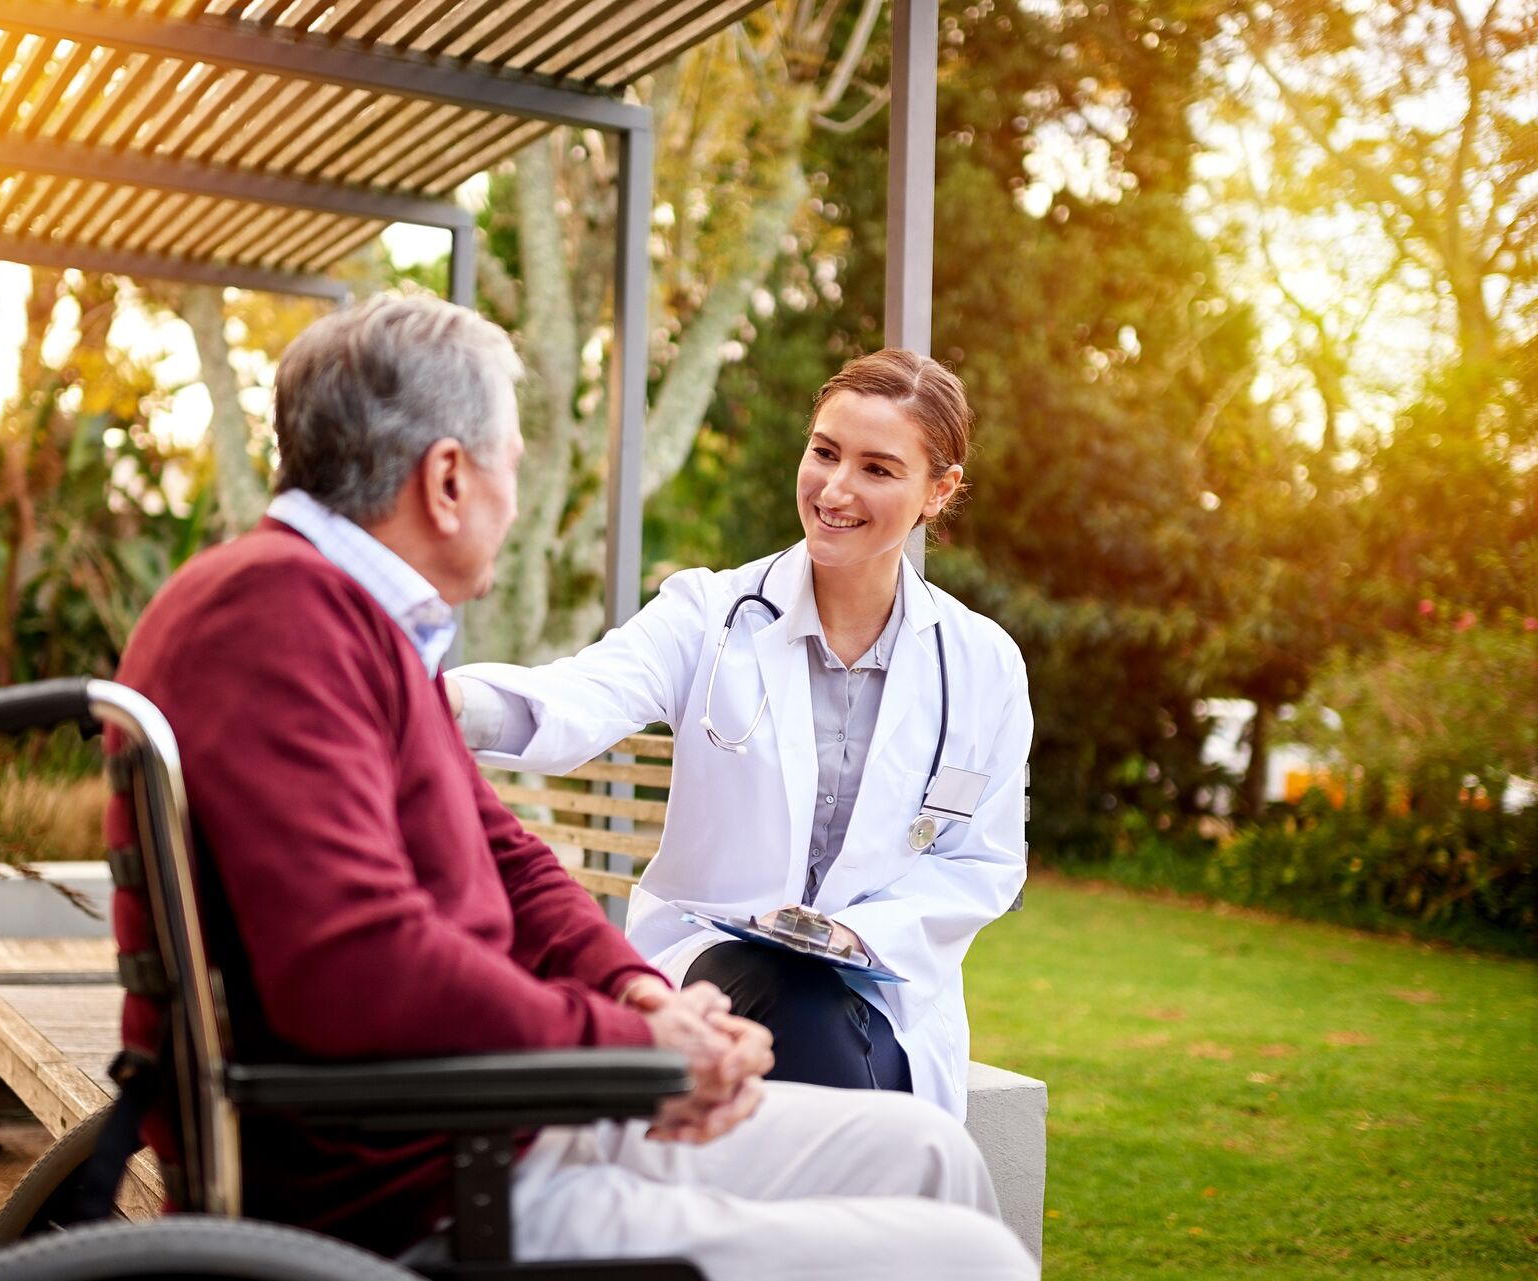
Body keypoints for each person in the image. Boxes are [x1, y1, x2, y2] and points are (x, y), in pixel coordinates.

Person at [109, 295, 1034, 1280]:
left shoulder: (344, 621)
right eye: (513, 463)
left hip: (497, 1113)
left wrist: (636, 995)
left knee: (930, 1152)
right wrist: (629, 1044)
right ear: (449, 480)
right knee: (977, 1256)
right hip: (437, 1171)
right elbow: (364, 965)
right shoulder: (278, 620)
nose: (517, 505)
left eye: (878, 467)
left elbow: (508, 860)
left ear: (937, 492)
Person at [448, 349, 1032, 1119]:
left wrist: (850, 935)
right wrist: (442, 701)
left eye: (877, 469)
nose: (835, 488)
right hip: (717, 970)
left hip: (884, 996)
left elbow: (982, 863)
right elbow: (581, 696)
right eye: (824, 452)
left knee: (817, 1010)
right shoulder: (708, 613)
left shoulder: (982, 665)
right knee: (794, 1001)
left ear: (939, 489)